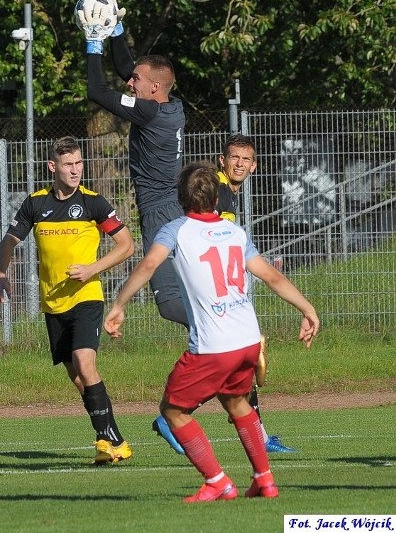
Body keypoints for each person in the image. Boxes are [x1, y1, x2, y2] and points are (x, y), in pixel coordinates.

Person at [104, 161, 319, 502]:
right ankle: (265, 480)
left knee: (173, 410)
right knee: (237, 403)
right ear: (216, 198)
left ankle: (217, 481)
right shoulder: (236, 233)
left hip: (213, 346)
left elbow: (148, 265)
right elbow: (273, 277)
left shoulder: (176, 229)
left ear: (181, 199)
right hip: (249, 339)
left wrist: (119, 304)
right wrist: (308, 309)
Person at [0, 136, 136, 465]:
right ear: (53, 167)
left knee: (86, 364)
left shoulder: (93, 203)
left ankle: (104, 440)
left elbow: (127, 245)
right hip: (52, 304)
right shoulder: (35, 203)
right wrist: (0, 273)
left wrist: (92, 269)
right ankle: (115, 439)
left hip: (87, 298)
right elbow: (9, 241)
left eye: (79, 163)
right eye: (69, 164)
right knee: (77, 377)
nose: (76, 170)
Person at [153, 135, 298, 454]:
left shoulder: (224, 195)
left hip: (214, 297)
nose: (239, 164)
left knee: (236, 360)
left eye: (246, 160)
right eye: (234, 158)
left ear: (254, 166)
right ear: (222, 160)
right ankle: (175, 414)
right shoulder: (216, 193)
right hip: (204, 297)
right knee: (235, 354)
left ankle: (254, 435)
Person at [81, 0, 189, 330]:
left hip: (159, 210)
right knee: (188, 294)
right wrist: (116, 28)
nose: (130, 83)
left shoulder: (148, 112)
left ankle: (234, 335)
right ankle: (230, 352)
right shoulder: (171, 105)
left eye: (137, 82)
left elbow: (97, 92)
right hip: (174, 205)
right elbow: (129, 68)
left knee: (170, 304)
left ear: (154, 88)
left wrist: (93, 42)